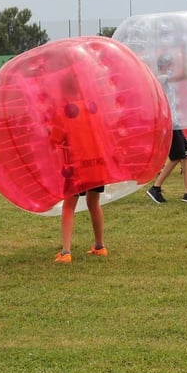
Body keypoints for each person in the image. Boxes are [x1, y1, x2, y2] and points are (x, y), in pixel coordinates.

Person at [50, 72, 107, 263]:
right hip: (97, 164)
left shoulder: (63, 111)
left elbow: (56, 139)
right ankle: (100, 246)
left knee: (69, 206)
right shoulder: (94, 107)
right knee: (93, 203)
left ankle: (66, 252)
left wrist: (49, 130)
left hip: (75, 166)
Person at [147, 52, 187, 204]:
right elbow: (184, 74)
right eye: (171, 65)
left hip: (175, 123)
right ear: (165, 66)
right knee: (177, 156)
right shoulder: (160, 78)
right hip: (170, 124)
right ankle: (155, 188)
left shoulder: (165, 80)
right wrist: (184, 52)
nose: (172, 68)